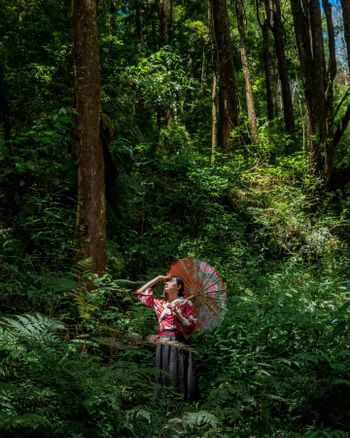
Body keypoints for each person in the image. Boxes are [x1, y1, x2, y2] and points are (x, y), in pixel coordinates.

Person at [135, 274, 198, 401]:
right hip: (162, 341)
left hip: (177, 339)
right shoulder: (160, 303)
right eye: (166, 282)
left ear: (179, 286)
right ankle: (163, 401)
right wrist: (158, 279)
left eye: (171, 282)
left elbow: (190, 327)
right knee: (163, 370)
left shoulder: (186, 303)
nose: (166, 283)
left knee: (177, 370)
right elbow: (139, 293)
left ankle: (180, 401)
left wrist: (177, 312)